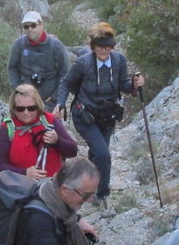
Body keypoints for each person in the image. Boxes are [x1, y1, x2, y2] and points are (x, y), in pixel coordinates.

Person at [56, 22, 143, 210]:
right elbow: (66, 83)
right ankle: (101, 195)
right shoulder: (83, 63)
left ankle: (88, 183)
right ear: (93, 47)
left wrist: (135, 85)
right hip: (84, 115)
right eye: (99, 46)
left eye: (107, 46)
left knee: (97, 153)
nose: (104, 50)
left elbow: (123, 85)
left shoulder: (119, 60)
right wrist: (60, 103)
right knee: (103, 154)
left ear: (112, 47)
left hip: (108, 116)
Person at [0, 84, 78, 179]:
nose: (26, 113)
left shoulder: (49, 121)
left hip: (50, 187)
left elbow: (73, 151)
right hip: (20, 189)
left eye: (31, 108)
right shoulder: (8, 128)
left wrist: (57, 141)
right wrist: (24, 173)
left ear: (38, 106)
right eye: (20, 109)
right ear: (14, 109)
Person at [7, 10, 72, 111]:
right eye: (26, 27)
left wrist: (56, 96)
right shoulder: (18, 45)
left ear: (41, 25)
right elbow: (12, 68)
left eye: (33, 25)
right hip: (25, 99)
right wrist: (18, 89)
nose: (29, 29)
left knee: (49, 126)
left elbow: (65, 73)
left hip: (49, 100)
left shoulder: (56, 45)